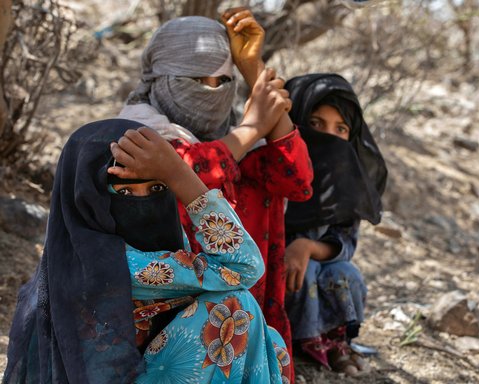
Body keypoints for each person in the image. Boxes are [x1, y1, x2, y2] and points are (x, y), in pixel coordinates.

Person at [3, 118, 292, 383]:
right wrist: (179, 173)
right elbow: (244, 267)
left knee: (267, 341)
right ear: (85, 199)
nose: (142, 205)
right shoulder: (116, 265)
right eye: (125, 192)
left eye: (157, 190)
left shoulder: (72, 257)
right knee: (233, 308)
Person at [117, 11, 313, 375]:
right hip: (171, 328)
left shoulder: (240, 143)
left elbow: (296, 179)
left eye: (224, 80)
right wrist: (252, 129)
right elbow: (183, 169)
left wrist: (252, 67)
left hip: (245, 312)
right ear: (160, 78)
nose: (213, 89)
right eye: (197, 79)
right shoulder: (134, 135)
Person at [282, 74, 388, 376]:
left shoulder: (345, 182)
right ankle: (289, 342)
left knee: (344, 273)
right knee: (304, 271)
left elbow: (346, 242)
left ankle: (331, 341)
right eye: (315, 124)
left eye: (340, 129)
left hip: (315, 264)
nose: (328, 136)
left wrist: (307, 246)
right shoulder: (273, 167)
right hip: (272, 271)